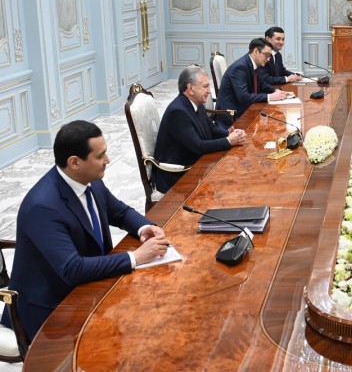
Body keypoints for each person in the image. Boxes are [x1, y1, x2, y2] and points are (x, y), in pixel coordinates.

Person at [1, 120, 171, 340]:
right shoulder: (42, 207)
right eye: (100, 156)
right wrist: (136, 257)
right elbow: (72, 269)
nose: (107, 160)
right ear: (74, 162)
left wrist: (145, 227)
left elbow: (119, 212)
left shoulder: (90, 181)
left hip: (90, 286)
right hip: (53, 312)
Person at [153, 65, 246, 193]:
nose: (209, 91)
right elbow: (198, 146)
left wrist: (229, 133)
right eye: (205, 86)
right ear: (190, 88)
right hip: (179, 176)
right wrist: (229, 141)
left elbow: (211, 128)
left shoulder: (196, 102)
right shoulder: (178, 112)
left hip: (196, 164)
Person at [215, 38, 289, 127]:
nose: (268, 59)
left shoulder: (251, 63)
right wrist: (270, 96)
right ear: (256, 51)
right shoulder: (240, 68)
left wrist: (276, 91)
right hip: (232, 116)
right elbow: (244, 97)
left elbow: (261, 84)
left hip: (244, 109)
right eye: (266, 55)